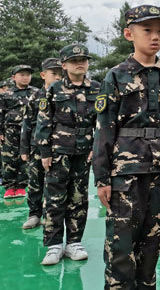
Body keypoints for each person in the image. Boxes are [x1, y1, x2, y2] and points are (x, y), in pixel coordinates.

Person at [92, 4, 160, 289]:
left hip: (158, 171)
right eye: (147, 30)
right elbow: (104, 129)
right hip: (125, 173)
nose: (155, 37)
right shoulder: (116, 76)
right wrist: (102, 178)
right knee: (121, 245)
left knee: (152, 243)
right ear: (129, 34)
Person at [34, 44, 100, 265]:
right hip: (58, 151)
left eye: (83, 60)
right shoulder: (54, 89)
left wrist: (96, 148)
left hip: (84, 152)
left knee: (79, 197)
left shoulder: (96, 89)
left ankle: (74, 243)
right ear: (64, 65)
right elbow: (44, 121)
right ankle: (53, 245)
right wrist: (44, 151)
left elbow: (101, 122)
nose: (80, 64)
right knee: (54, 198)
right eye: (74, 60)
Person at [20, 57, 62, 230]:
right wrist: (24, 149)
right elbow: (26, 124)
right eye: (54, 74)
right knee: (35, 182)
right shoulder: (35, 97)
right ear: (43, 75)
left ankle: (50, 215)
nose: (58, 77)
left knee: (55, 183)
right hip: (36, 147)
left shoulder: (64, 95)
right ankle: (34, 214)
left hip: (58, 146)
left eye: (61, 74)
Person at [1, 65, 38, 198]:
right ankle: (10, 186)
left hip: (30, 131)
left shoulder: (36, 92)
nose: (25, 77)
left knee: (26, 158)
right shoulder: (6, 94)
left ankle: (22, 185)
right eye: (22, 75)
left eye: (28, 75)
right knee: (9, 158)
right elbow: (1, 113)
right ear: (14, 77)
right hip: (11, 131)